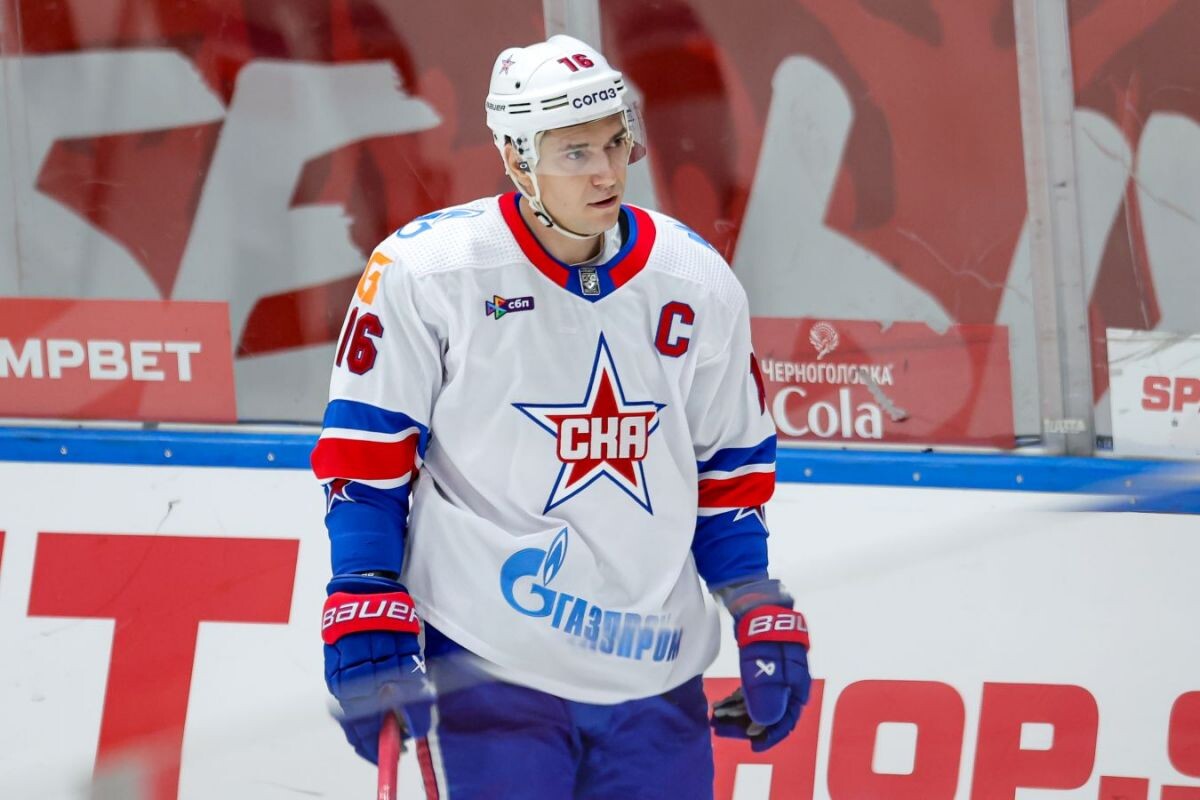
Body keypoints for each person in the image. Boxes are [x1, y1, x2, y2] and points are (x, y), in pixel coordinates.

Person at [312, 33, 812, 799]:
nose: (608, 171)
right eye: (576, 152)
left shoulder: (695, 281)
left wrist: (756, 607)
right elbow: (366, 458)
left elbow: (729, 477)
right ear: (517, 160)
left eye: (615, 142)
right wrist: (362, 594)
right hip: (487, 666)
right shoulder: (428, 272)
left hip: (655, 673)